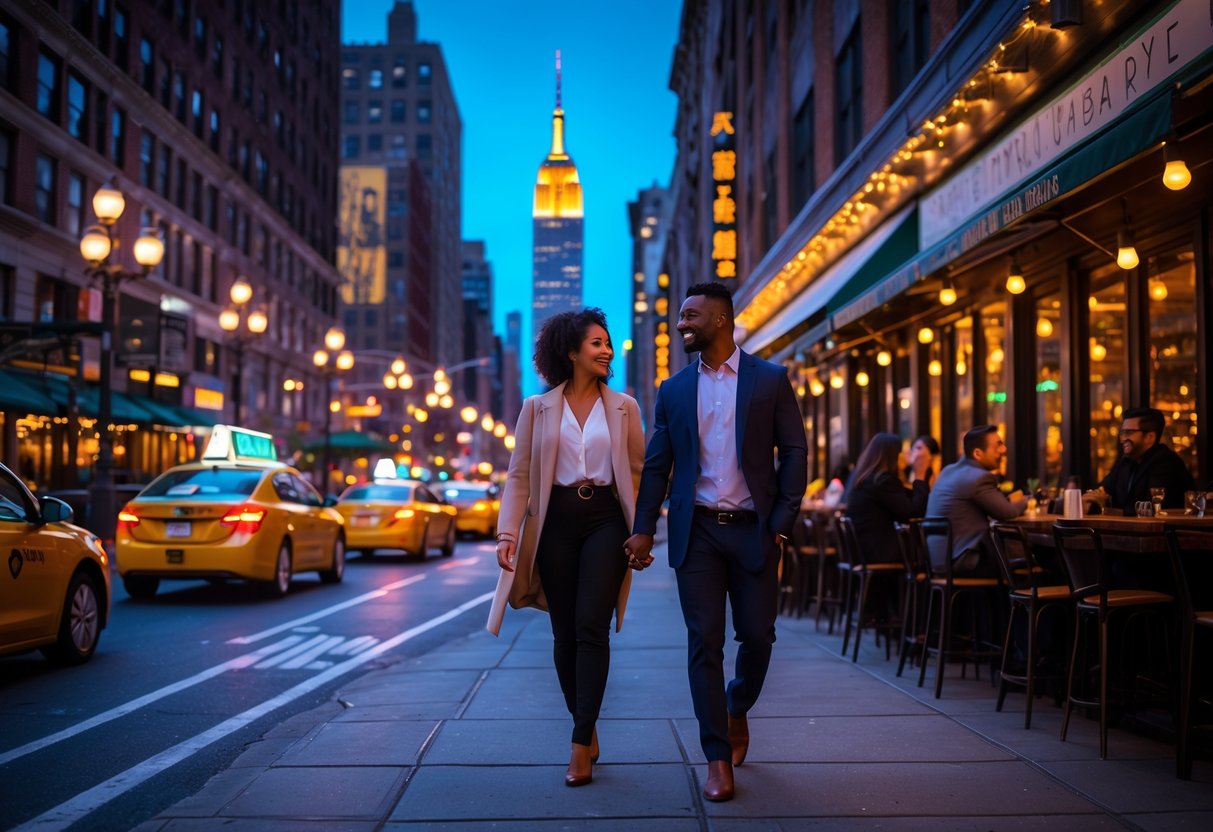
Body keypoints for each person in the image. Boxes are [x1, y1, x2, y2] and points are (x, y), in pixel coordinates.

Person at [624, 282, 807, 803]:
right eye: (681, 316)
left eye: (691, 316)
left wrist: (783, 518)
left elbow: (794, 451)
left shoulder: (770, 379)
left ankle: (737, 706)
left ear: (721, 320)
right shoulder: (675, 389)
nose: (682, 324)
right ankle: (716, 757)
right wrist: (642, 527)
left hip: (755, 530)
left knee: (757, 636)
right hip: (697, 531)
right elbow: (658, 465)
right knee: (703, 641)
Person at [488, 308, 645, 788]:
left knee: (591, 627)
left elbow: (638, 471)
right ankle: (587, 721)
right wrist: (508, 533)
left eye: (608, 342)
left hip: (606, 520)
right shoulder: (537, 408)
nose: (607, 350)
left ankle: (579, 744)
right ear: (571, 351)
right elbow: (518, 475)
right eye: (596, 343)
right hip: (554, 521)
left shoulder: (625, 408)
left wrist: (643, 531)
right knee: (564, 635)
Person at [924, 425, 1028, 576]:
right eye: (997, 446)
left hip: (939, 561)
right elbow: (1008, 512)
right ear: (978, 453)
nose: (1003, 450)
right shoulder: (979, 477)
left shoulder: (948, 471)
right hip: (963, 561)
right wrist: (1028, 500)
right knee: (1031, 565)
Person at [845, 433, 930, 564]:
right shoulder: (882, 480)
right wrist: (920, 474)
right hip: (879, 552)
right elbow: (913, 515)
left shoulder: (865, 478)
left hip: (863, 550)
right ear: (892, 456)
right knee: (931, 555)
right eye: (900, 453)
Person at [1091, 407, 1195, 512]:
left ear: (1150, 437)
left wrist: (1108, 507)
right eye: (1122, 433)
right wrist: (1093, 499)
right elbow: (1102, 490)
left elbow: (1151, 509)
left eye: (1129, 433)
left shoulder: (1165, 463)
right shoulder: (1126, 462)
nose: (1122, 439)